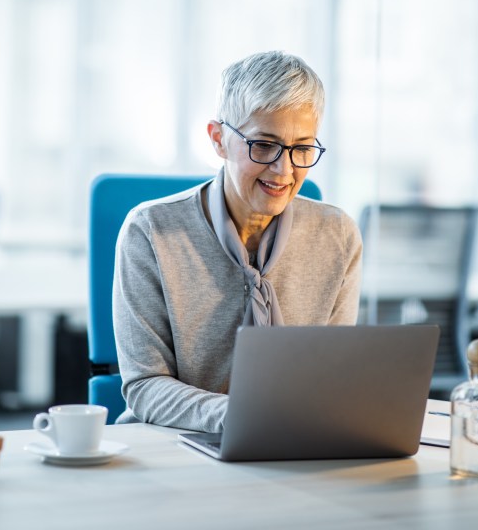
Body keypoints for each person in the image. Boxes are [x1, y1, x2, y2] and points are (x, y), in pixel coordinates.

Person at [112, 51, 362, 432]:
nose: (285, 170)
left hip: (292, 445)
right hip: (173, 445)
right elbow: (145, 386)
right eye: (264, 145)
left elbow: (333, 378)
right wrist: (242, 418)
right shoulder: (150, 232)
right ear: (218, 139)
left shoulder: (337, 236)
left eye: (302, 148)